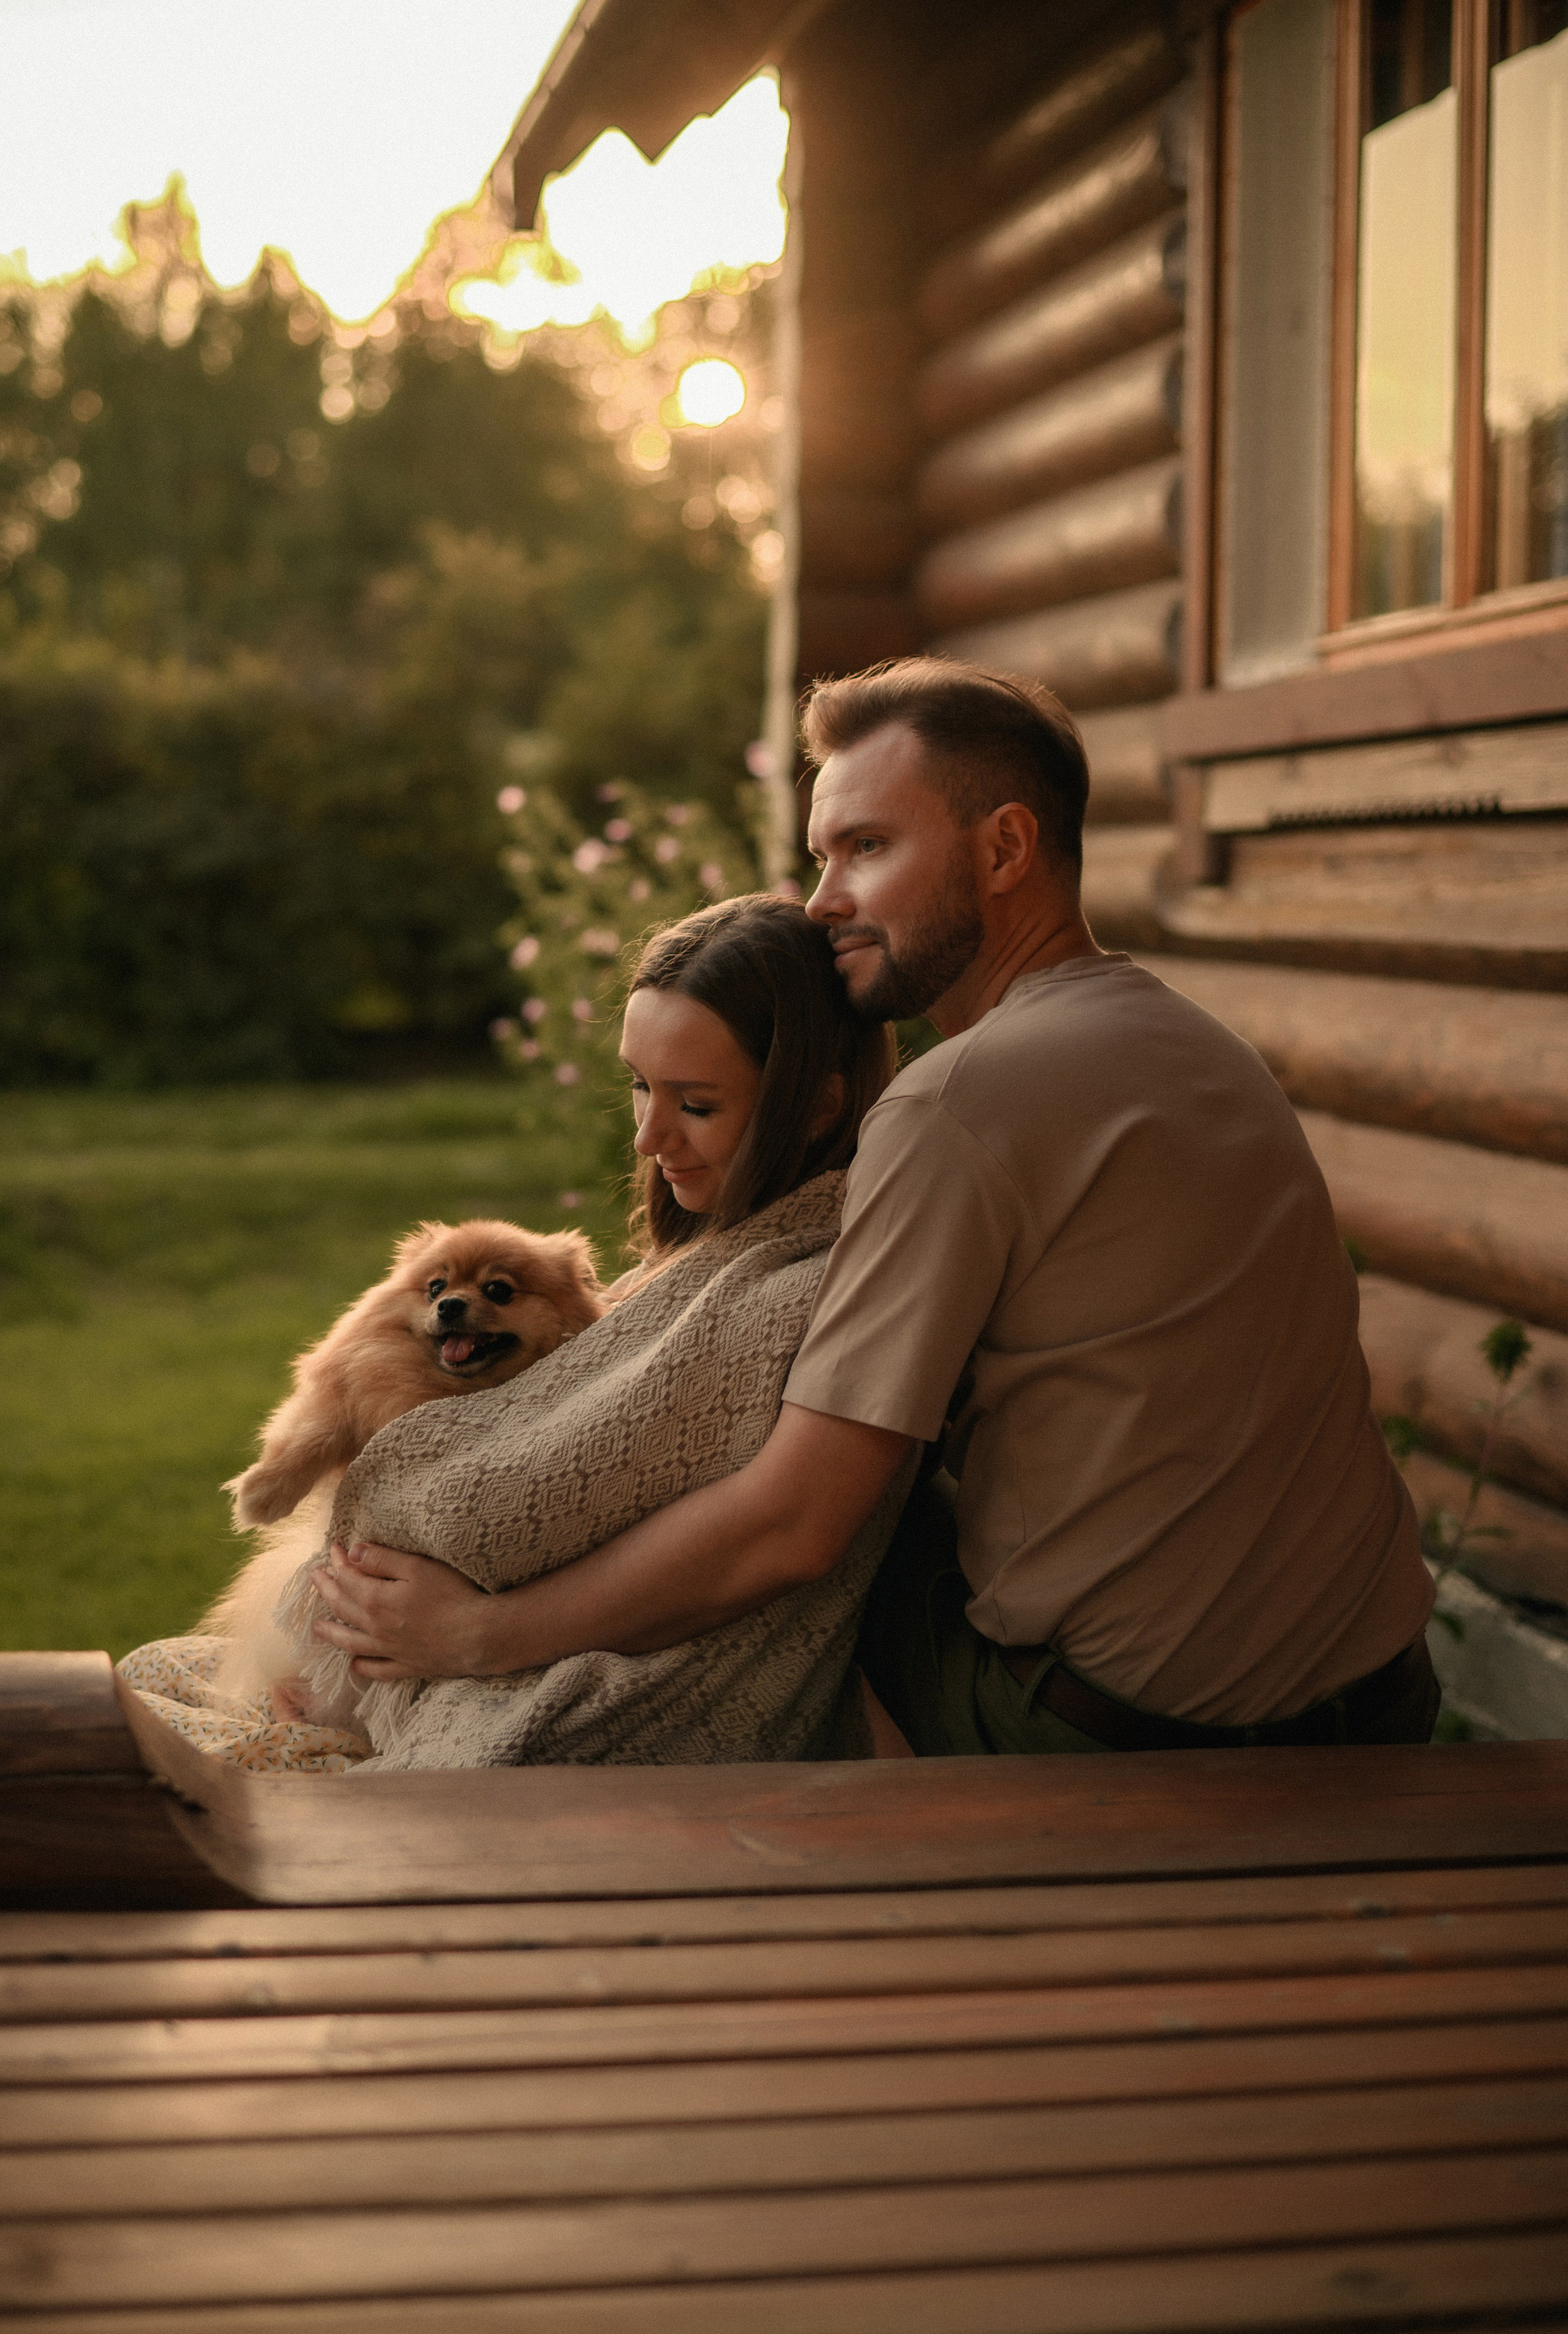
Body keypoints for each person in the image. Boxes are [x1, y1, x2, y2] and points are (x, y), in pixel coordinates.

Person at [314, 659, 1439, 1756]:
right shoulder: (1196, 1044)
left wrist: (481, 1632)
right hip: (1381, 1696)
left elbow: (792, 1531)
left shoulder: (957, 1101)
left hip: (1132, 1739)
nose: (823, 902)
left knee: (781, 1525)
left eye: (868, 848)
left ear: (1006, 848)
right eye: (820, 856)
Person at [139, 891, 907, 1770]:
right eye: (638, 1088)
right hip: (440, 1687)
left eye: (695, 1104)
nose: (652, 1136)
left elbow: (529, 1506)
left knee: (122, 1759)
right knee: (124, 1700)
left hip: (565, 1741)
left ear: (814, 1109)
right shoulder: (695, 1270)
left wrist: (472, 1632)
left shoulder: (791, 1294)